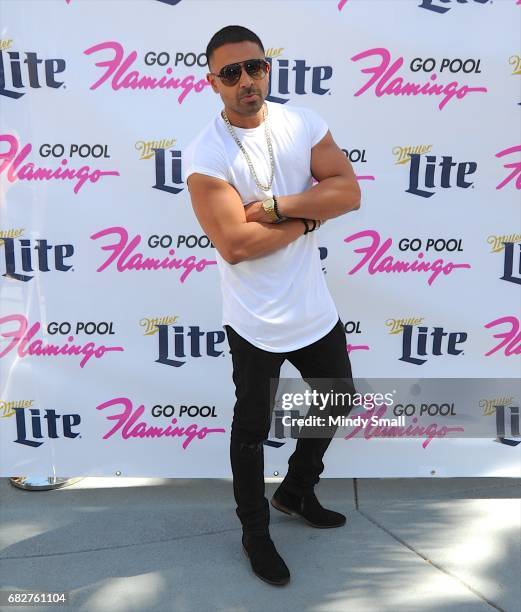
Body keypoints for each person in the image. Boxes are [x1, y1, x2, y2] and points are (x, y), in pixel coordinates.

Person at [183, 25, 361, 586]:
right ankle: (254, 531)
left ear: (268, 68)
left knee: (337, 401)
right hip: (254, 319)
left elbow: (349, 191)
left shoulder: (302, 121)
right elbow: (234, 245)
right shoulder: (207, 151)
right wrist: (312, 215)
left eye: (254, 67)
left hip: (313, 306)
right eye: (231, 73)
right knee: (252, 429)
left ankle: (296, 489)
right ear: (213, 83)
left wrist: (280, 208)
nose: (247, 81)